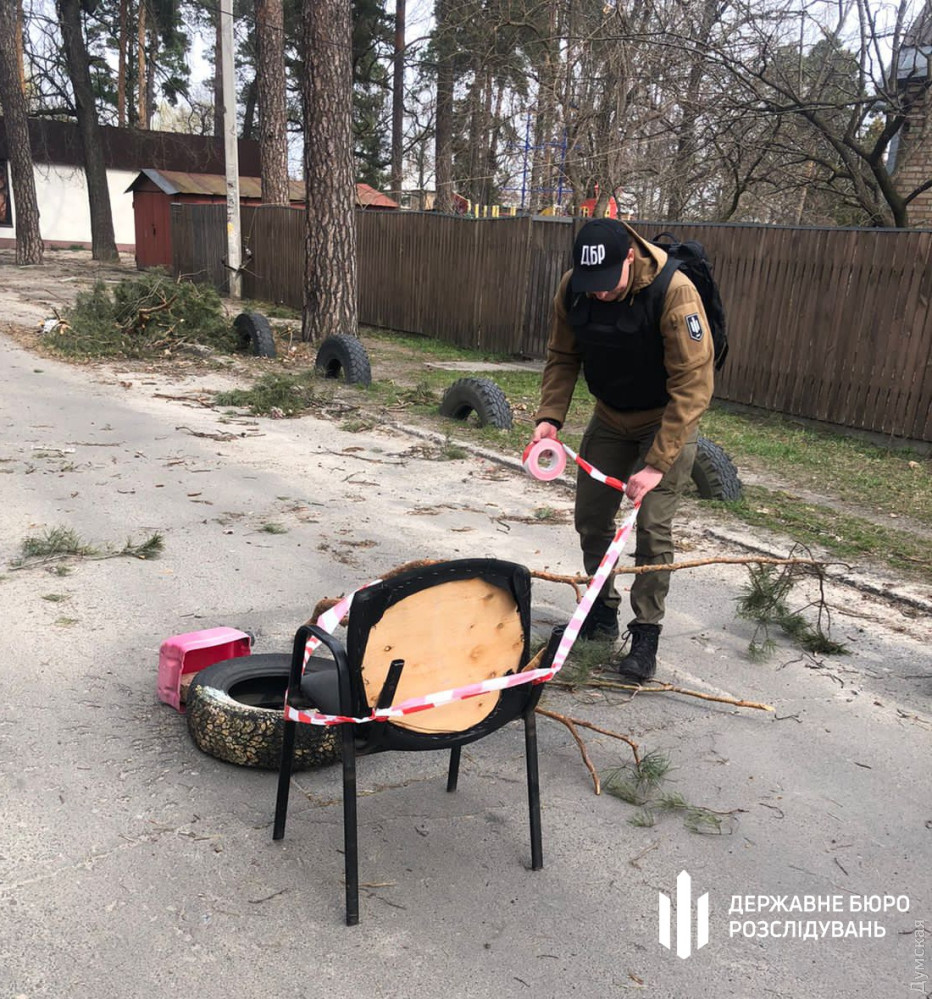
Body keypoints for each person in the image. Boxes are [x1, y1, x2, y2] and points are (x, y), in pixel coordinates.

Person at [530, 217, 714, 681]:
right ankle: (601, 615)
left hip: (664, 418)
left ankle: (646, 633)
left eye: (608, 283)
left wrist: (656, 464)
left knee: (652, 529)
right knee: (592, 518)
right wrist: (549, 418)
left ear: (630, 257)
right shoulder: (574, 289)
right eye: (591, 284)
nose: (599, 293)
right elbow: (563, 356)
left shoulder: (675, 292)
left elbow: (693, 385)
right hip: (610, 415)